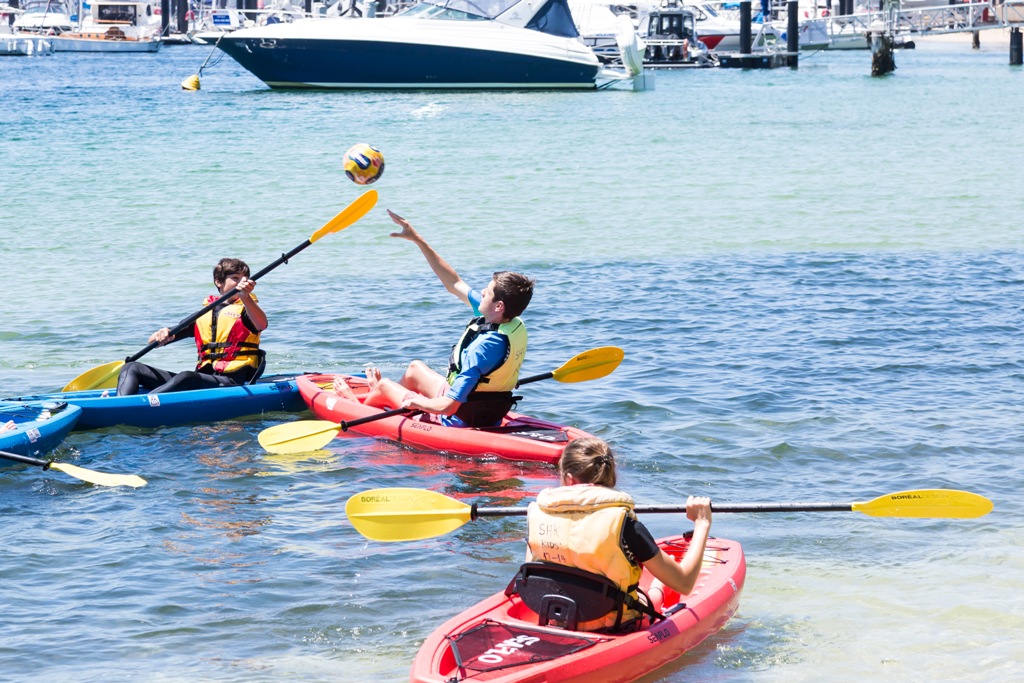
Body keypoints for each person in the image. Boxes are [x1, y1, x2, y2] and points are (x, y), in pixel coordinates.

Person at [333, 210, 534, 428]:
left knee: (384, 386)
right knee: (414, 369)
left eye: (488, 291)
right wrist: (418, 240)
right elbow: (454, 283)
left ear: (498, 306)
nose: (482, 292)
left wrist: (417, 402)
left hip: (459, 418)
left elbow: (449, 406)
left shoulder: (484, 348)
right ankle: (385, 402)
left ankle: (358, 407)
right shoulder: (509, 322)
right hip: (482, 406)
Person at [522, 437, 713, 632]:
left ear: (569, 479)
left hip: (556, 614)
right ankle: (659, 589)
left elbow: (533, 571)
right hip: (616, 624)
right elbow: (684, 583)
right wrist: (702, 523)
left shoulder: (537, 515)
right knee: (646, 594)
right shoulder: (625, 524)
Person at [116, 258, 268, 396]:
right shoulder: (203, 315)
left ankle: (142, 404)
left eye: (245, 278)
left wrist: (245, 297)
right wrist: (160, 335)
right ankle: (120, 404)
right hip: (203, 379)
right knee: (131, 367)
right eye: (235, 278)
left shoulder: (247, 309)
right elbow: (153, 343)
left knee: (187, 377)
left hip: (232, 381)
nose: (242, 282)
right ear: (218, 282)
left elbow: (261, 324)